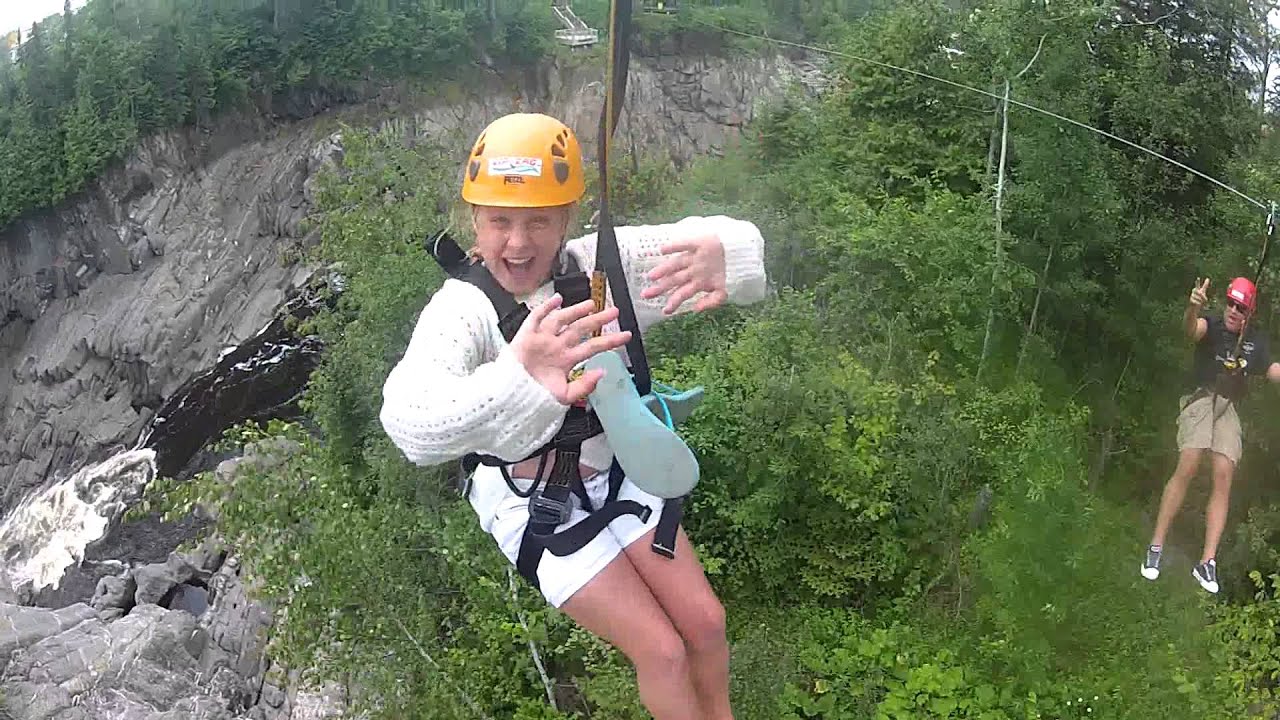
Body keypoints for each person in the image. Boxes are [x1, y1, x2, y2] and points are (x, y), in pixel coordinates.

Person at [378, 112, 769, 719]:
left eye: (539, 221)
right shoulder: (465, 310)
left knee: (707, 624)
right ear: (474, 221)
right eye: (499, 221)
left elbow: (719, 241)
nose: (518, 242)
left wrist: (730, 254)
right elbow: (409, 423)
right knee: (661, 652)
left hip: (619, 467)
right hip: (529, 499)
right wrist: (515, 375)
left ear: (565, 220)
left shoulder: (594, 271)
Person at [1141, 276, 1280, 594]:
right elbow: (1192, 330)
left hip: (1227, 407)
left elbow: (1272, 370)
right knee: (1190, 460)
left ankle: (1207, 562)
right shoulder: (1213, 325)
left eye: (1241, 307)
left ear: (1249, 312)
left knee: (1224, 471)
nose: (1233, 310)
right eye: (1230, 303)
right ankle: (1156, 546)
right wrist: (1192, 309)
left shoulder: (1254, 342)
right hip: (1201, 398)